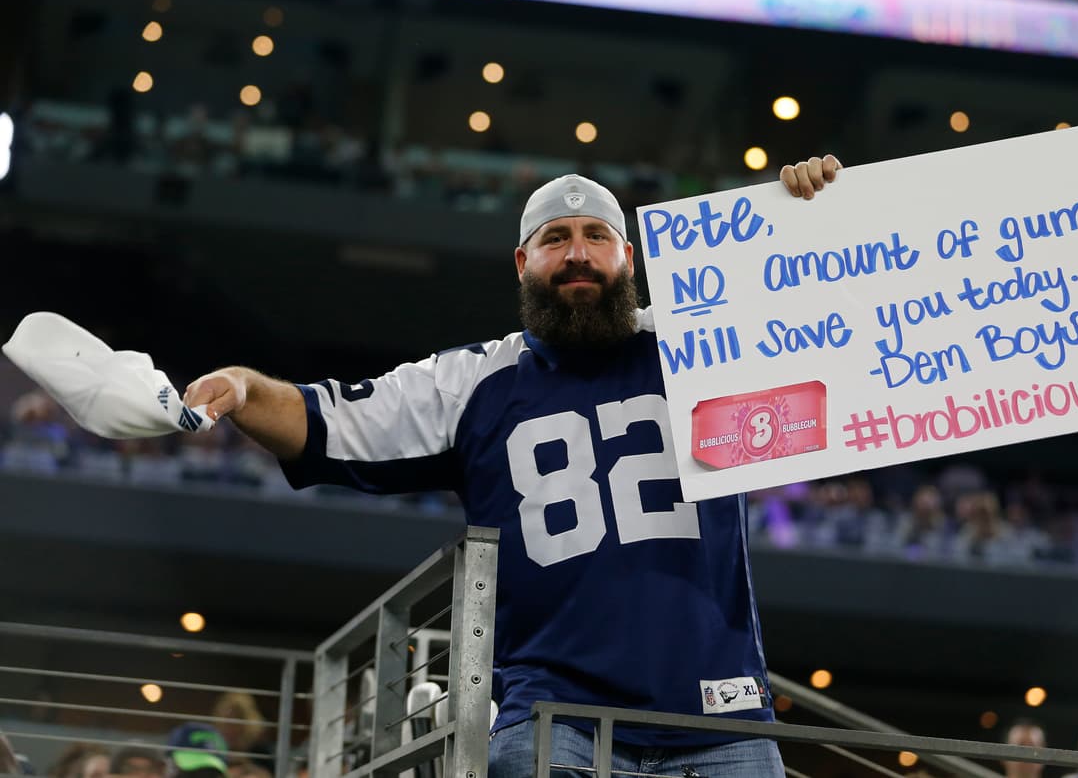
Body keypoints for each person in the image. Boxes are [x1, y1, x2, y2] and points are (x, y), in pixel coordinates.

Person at [182, 157, 843, 778]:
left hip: (719, 716)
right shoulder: (473, 381)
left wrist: (818, 211)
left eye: (595, 236)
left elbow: (840, 320)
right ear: (523, 261)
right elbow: (327, 419)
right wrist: (245, 387)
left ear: (628, 258)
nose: (578, 253)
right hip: (556, 713)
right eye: (556, 238)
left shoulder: (705, 342)